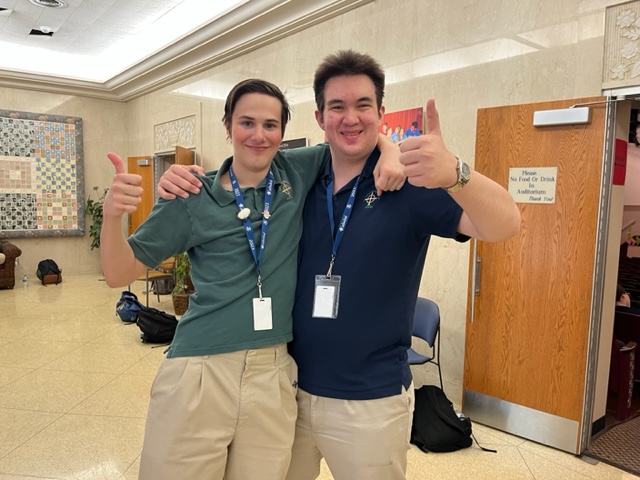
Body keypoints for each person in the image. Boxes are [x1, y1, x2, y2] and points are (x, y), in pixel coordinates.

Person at [158, 50, 520, 480]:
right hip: (288, 392)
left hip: (369, 402)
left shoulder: (407, 181)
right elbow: (243, 166)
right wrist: (179, 180)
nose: (351, 118)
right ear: (320, 117)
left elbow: (505, 225)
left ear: (380, 112)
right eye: (338, 107)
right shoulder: (297, 181)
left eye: (363, 105)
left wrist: (456, 173)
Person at [101, 78, 402, 480]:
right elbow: (118, 273)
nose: (259, 135)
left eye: (270, 125)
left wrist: (391, 150)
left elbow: (350, 137)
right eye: (247, 123)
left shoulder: (296, 170)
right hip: (200, 369)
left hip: (273, 371)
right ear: (227, 126)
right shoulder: (192, 194)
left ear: (283, 132)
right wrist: (111, 216)